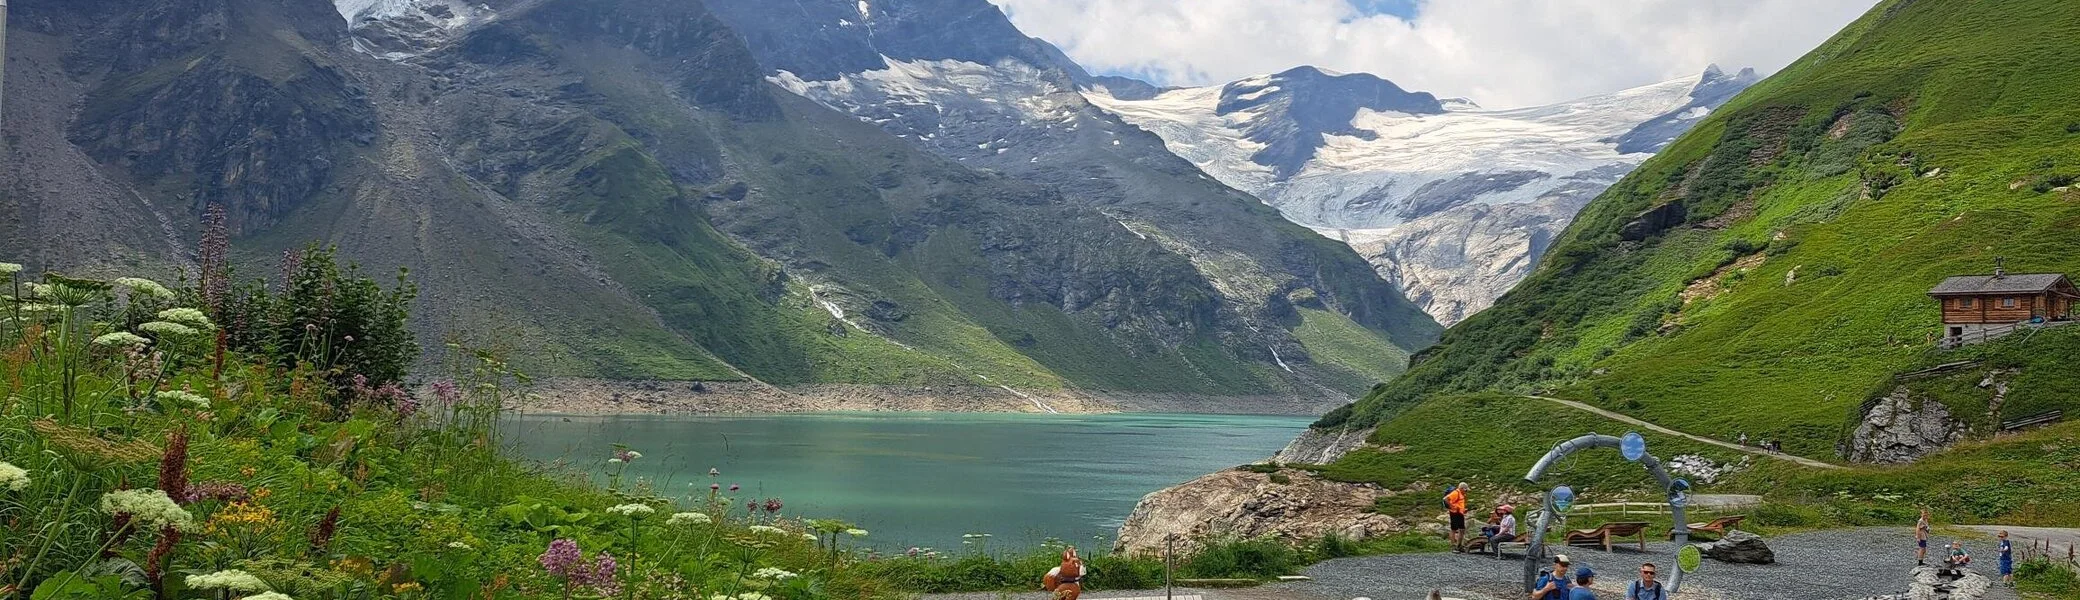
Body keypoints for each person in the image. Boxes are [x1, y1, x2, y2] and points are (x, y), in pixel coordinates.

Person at [1446, 482, 1470, 552]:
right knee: (1454, 529)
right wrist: (1452, 507)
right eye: (1466, 490)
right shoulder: (1455, 493)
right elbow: (1446, 499)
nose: (1466, 491)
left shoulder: (1461, 494)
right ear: (1462, 488)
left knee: (1462, 529)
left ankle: (1459, 545)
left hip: (1460, 513)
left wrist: (1463, 510)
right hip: (1454, 513)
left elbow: (1459, 503)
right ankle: (1453, 546)